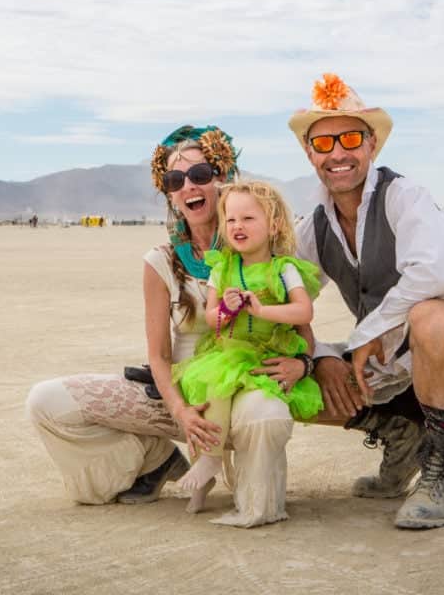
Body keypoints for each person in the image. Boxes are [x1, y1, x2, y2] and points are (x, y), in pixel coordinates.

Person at [26, 126, 305, 527]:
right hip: (178, 400)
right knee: (46, 401)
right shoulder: (160, 261)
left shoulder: (259, 250)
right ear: (170, 194)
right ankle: (157, 460)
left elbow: (302, 325)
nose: (188, 186)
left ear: (224, 178)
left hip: (245, 390)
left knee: (265, 417)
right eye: (175, 180)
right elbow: (158, 355)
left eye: (200, 175)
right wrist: (181, 412)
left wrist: (303, 365)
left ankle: (248, 491)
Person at [289, 73, 444, 529]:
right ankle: (402, 436)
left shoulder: (405, 197)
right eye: (323, 144)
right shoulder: (315, 225)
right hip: (387, 369)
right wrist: (315, 358)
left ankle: (441, 470)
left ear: (372, 145)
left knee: (433, 316)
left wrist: (365, 334)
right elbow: (283, 289)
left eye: (349, 138)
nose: (338, 154)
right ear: (309, 154)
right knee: (281, 369)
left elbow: (433, 274)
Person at [172, 179, 323, 514]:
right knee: (210, 386)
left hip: (268, 353)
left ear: (275, 225)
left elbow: (303, 311)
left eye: (248, 219)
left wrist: (260, 310)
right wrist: (227, 308)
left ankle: (226, 477)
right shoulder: (222, 268)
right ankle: (209, 463)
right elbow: (212, 318)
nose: (237, 226)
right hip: (228, 350)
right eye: (231, 220)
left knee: (238, 394)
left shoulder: (285, 270)